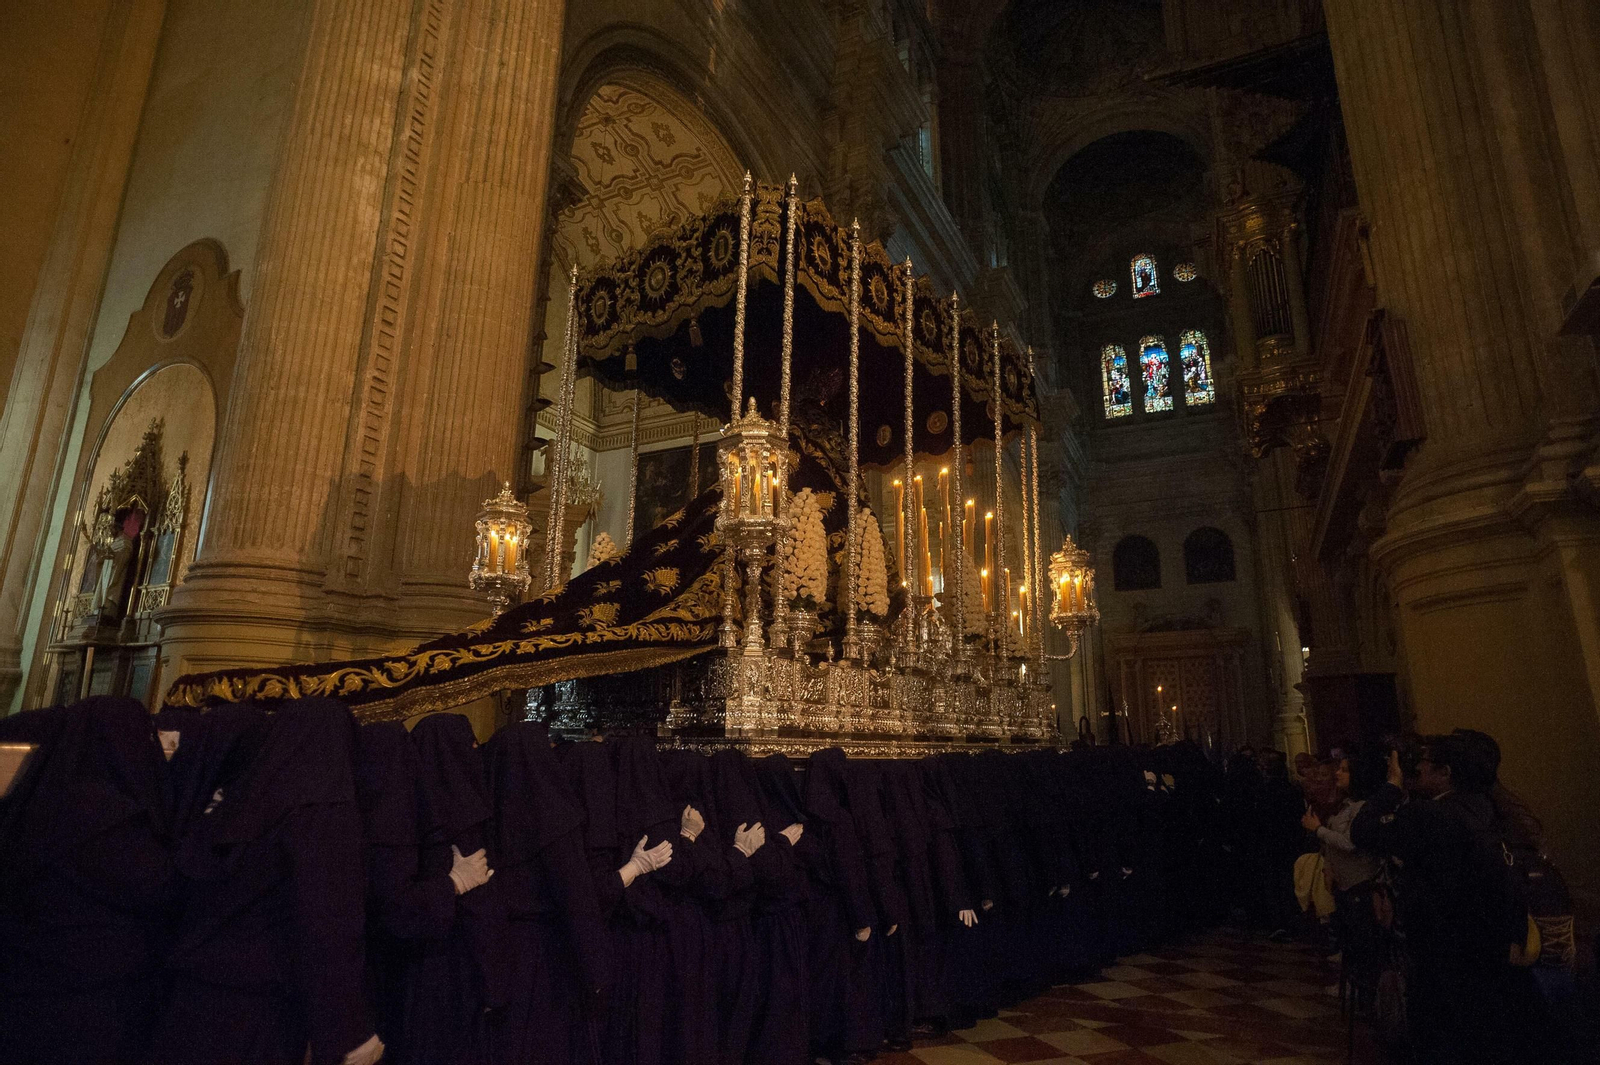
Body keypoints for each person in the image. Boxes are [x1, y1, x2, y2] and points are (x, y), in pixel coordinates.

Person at [1352, 731, 1532, 1064]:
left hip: (1444, 945)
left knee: (1444, 1036)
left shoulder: (1431, 815)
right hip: (1493, 944)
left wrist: (1392, 785)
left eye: (1422, 764)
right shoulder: (1495, 809)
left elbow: (1363, 831)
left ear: (1445, 772)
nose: (1415, 769)